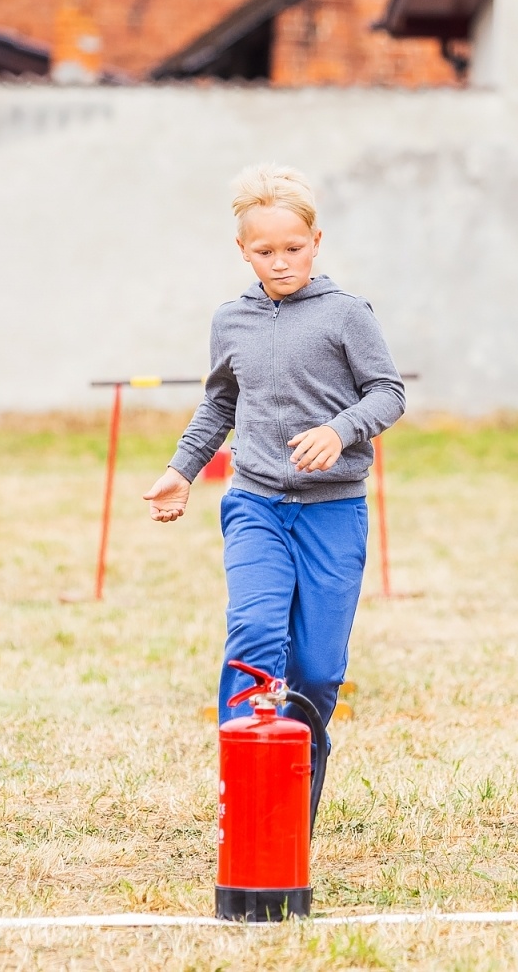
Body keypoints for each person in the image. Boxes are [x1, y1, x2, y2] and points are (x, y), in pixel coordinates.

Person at [142, 165, 405, 767]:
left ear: (317, 241)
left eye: (293, 248)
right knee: (255, 638)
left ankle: (294, 782)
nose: (281, 262)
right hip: (255, 505)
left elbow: (388, 393)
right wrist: (181, 470)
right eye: (265, 252)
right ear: (243, 250)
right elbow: (220, 403)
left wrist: (340, 431)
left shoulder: (347, 314)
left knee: (317, 670)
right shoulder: (230, 320)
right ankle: (244, 781)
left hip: (333, 512)